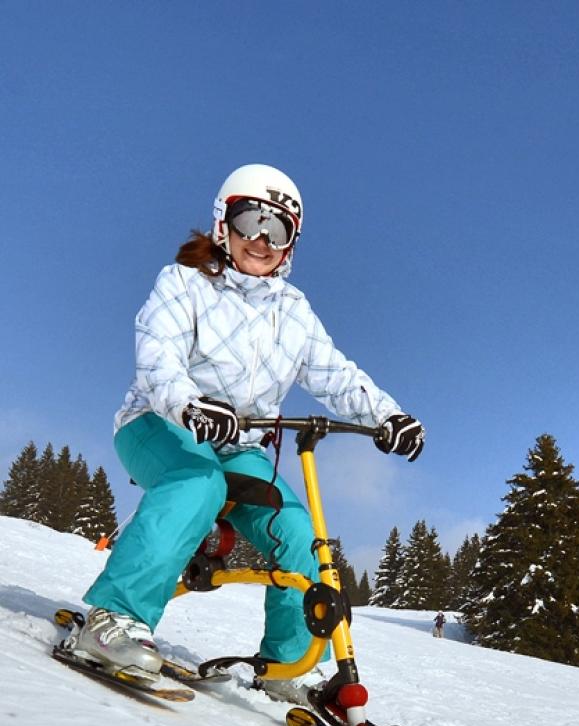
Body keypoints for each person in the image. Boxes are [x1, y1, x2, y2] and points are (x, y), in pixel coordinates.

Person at [75, 163, 424, 696]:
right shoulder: (184, 283)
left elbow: (336, 374)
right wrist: (188, 404)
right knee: (199, 482)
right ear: (223, 223)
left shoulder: (294, 312)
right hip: (159, 424)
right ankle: (113, 618)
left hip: (239, 446)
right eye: (249, 220)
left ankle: (286, 666)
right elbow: (158, 357)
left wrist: (387, 415)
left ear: (291, 245)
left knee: (298, 533)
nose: (261, 238)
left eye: (277, 229)